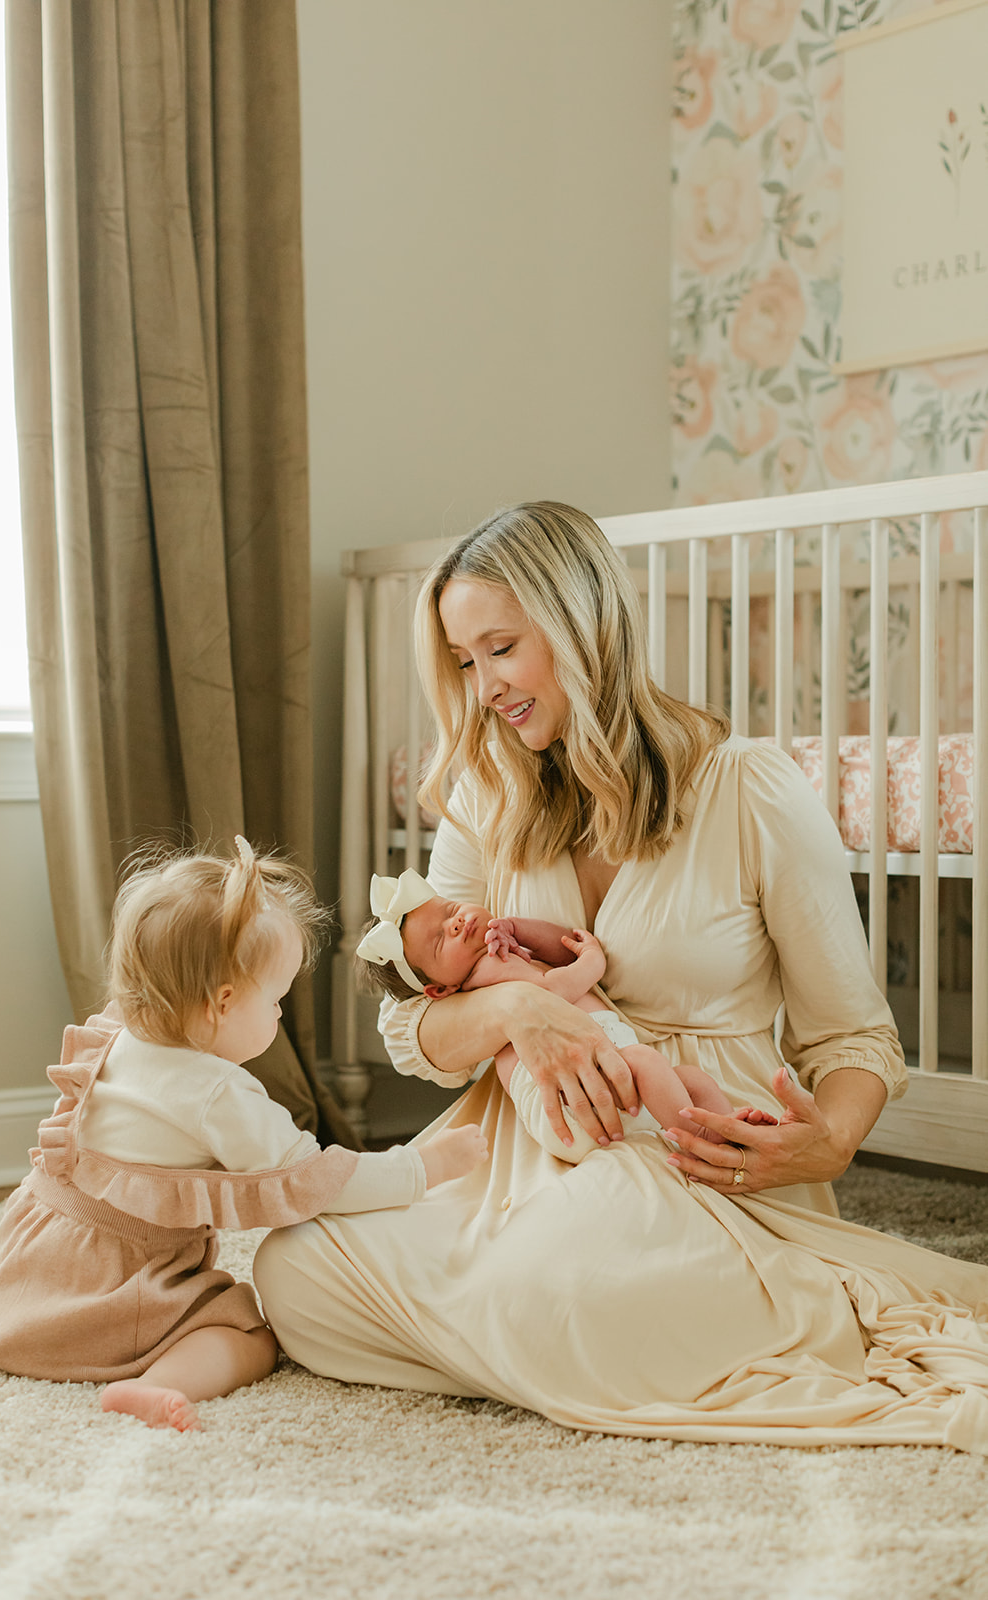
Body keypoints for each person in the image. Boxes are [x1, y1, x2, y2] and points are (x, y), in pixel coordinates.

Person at [253, 502, 988, 1452]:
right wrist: (520, 1007)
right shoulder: (490, 793)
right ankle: (583, 1334)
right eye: (465, 661)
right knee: (293, 1270)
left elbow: (853, 1040)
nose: (481, 688)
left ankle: (565, 1325)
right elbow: (414, 1036)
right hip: (527, 1154)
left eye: (501, 649)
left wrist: (831, 1142)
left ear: (580, 624)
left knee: (549, 1285)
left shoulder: (750, 789)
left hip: (690, 1161)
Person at [0, 839, 487, 1433]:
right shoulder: (218, 1095)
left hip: (30, 1275)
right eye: (277, 999)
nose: (281, 1016)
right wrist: (424, 1167)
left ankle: (47, 1337)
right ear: (223, 1003)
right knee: (248, 1333)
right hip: (115, 1289)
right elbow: (310, 1179)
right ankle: (156, 1384)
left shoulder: (115, 1033)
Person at [355, 868, 778, 1161]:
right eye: (438, 942)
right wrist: (590, 963)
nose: (456, 923)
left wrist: (517, 928)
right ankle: (703, 1139)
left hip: (601, 1080)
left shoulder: (498, 952)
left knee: (693, 1082)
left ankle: (722, 1128)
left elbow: (556, 949)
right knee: (651, 1064)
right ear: (438, 990)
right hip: (570, 1097)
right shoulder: (485, 971)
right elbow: (547, 991)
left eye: (449, 910)